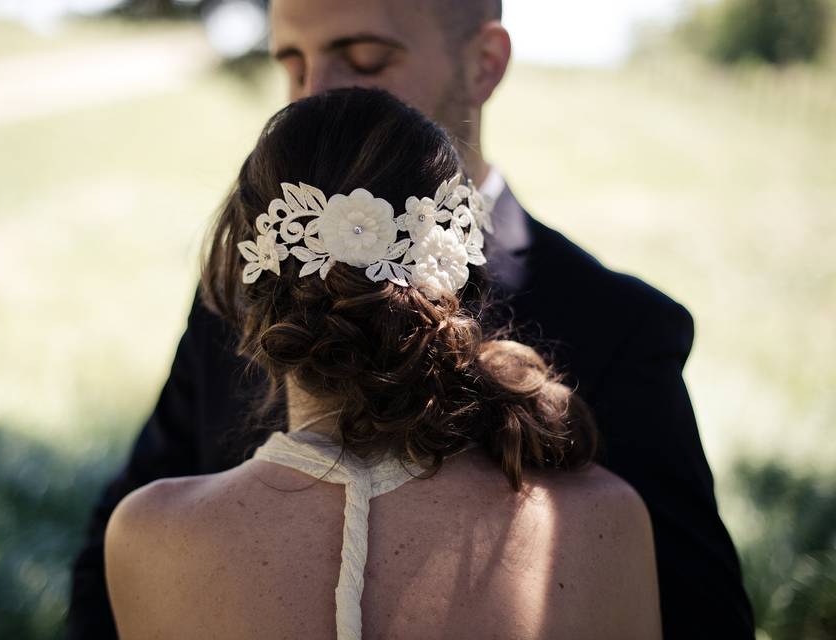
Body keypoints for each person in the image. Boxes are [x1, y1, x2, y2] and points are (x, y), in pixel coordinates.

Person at [67, 1, 754, 638]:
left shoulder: (618, 326)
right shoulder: (249, 286)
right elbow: (108, 583)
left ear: (484, 64)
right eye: (292, 62)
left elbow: (699, 616)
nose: (315, 96)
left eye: (364, 58)